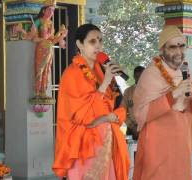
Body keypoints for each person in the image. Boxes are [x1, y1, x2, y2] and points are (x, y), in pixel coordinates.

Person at [52, 24, 129, 180]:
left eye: (100, 40)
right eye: (92, 41)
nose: (98, 45)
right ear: (80, 44)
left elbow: (119, 105)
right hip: (84, 145)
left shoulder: (104, 71)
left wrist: (113, 116)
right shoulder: (71, 74)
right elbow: (80, 116)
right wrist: (105, 84)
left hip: (108, 139)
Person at [132, 25, 192, 180]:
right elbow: (141, 114)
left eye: (182, 46)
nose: (179, 52)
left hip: (180, 144)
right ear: (162, 50)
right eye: (173, 47)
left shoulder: (185, 71)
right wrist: (173, 94)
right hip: (157, 145)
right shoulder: (150, 75)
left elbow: (189, 107)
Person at [15, 0, 68, 100]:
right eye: (49, 10)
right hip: (41, 49)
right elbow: (33, 37)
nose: (51, 13)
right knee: (39, 70)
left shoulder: (51, 24)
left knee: (47, 71)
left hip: (49, 50)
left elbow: (52, 40)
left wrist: (61, 36)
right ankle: (37, 92)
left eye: (53, 10)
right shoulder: (38, 21)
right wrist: (23, 30)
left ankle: (43, 91)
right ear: (44, 11)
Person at [121, 66, 145, 140]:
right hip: (132, 129)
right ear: (134, 76)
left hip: (149, 128)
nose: (141, 79)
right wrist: (132, 127)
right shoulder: (128, 92)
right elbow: (122, 111)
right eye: (138, 76)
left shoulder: (152, 90)